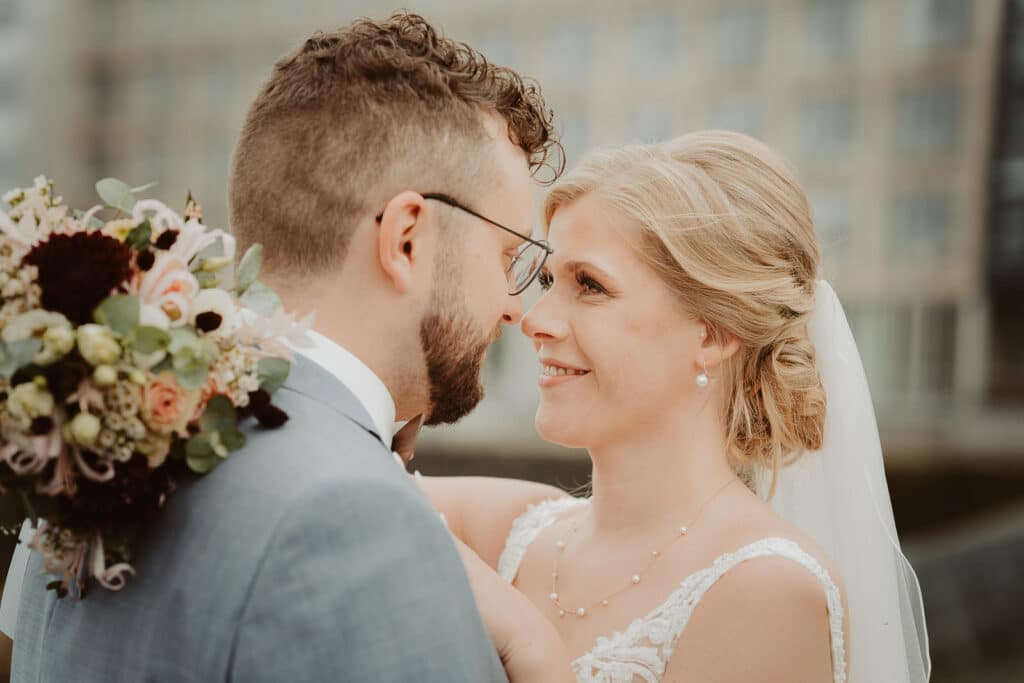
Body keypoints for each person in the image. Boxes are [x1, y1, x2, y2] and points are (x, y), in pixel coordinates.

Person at [0, 12, 572, 682]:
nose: (514, 304)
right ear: (407, 238)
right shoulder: (356, 513)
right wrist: (540, 654)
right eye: (509, 255)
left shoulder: (93, 442)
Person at [422, 130, 931, 682]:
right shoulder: (505, 528)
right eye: (548, 280)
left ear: (711, 335)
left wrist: (531, 650)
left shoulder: (767, 589)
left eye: (589, 285)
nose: (535, 319)